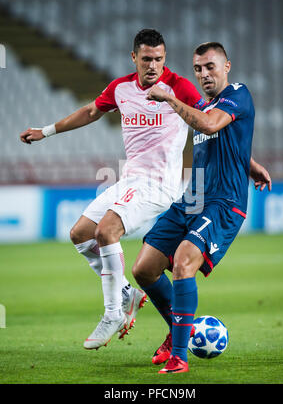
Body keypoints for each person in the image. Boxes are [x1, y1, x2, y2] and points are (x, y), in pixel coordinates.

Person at [19, 29, 206, 349]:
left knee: (107, 231)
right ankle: (125, 295)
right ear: (134, 58)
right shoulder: (121, 88)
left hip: (159, 184)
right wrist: (45, 132)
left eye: (159, 59)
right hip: (129, 180)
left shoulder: (179, 87)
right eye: (147, 59)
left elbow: (208, 118)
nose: (153, 66)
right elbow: (91, 111)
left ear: (165, 59)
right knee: (80, 234)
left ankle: (113, 313)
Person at [132, 42, 272, 374]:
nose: (204, 74)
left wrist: (169, 98)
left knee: (182, 261)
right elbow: (220, 135)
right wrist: (250, 163)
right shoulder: (203, 106)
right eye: (198, 68)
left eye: (210, 66)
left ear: (227, 66)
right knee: (144, 269)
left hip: (224, 202)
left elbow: (210, 126)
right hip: (191, 198)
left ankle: (180, 356)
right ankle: (176, 330)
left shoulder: (238, 93)